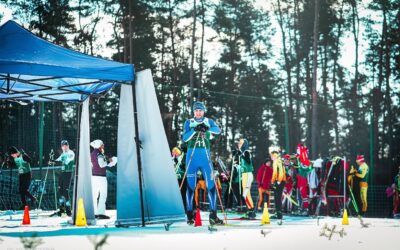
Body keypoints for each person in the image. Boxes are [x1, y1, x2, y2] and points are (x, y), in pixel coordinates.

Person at [183, 101, 223, 225]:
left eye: (200, 110)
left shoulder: (208, 121)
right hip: (192, 158)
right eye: (196, 110)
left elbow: (218, 130)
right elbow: (184, 138)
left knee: (211, 186)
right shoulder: (189, 122)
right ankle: (190, 215)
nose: (198, 112)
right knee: (190, 186)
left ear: (203, 111)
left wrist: (207, 128)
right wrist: (195, 129)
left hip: (205, 158)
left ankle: (213, 215)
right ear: (194, 112)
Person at [90, 139, 117, 220]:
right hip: (101, 177)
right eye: (102, 145)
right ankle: (100, 213)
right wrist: (109, 161)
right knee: (103, 195)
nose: (103, 146)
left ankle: (94, 213)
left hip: (94, 176)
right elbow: (102, 165)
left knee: (95, 195)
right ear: (98, 145)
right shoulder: (99, 154)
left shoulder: (93, 153)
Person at [53, 140, 75, 216]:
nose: (64, 147)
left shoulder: (70, 153)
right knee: (60, 190)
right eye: (63, 146)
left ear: (68, 146)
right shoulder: (63, 154)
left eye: (65, 145)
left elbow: (67, 161)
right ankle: (61, 208)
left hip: (68, 173)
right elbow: (58, 160)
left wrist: (59, 161)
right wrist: (52, 161)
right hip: (62, 173)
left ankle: (68, 209)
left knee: (66, 191)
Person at [235, 138, 256, 219]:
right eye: (239, 143)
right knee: (246, 194)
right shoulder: (243, 153)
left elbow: (247, 161)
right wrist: (238, 167)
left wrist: (241, 154)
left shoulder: (246, 152)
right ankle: (250, 211)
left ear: (244, 144)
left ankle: (251, 211)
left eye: (240, 143)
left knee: (246, 194)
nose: (239, 145)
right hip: (244, 174)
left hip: (248, 175)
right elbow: (244, 166)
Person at [270, 146, 286, 224]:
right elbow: (276, 172)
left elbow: (279, 172)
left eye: (271, 156)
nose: (271, 157)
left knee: (278, 198)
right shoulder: (277, 161)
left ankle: (279, 214)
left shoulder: (277, 161)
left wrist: (277, 181)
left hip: (280, 181)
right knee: (277, 198)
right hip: (279, 181)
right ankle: (278, 213)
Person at [172, 146, 187, 210]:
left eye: (176, 152)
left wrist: (179, 163)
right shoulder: (174, 159)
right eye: (173, 152)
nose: (175, 154)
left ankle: (185, 207)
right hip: (176, 179)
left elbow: (184, 167)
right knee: (178, 194)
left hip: (183, 178)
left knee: (183, 193)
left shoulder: (183, 157)